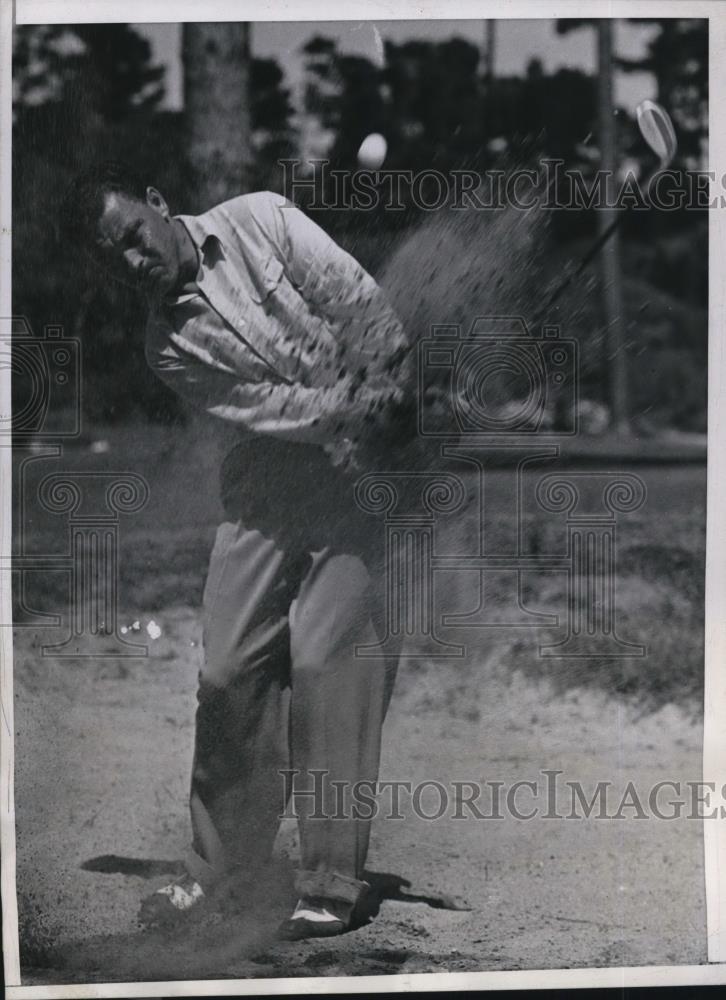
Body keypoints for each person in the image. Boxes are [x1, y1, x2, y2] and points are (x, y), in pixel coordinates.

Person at [60, 163, 412, 940]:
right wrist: (355, 414)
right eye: (111, 258)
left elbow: (357, 300)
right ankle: (224, 866)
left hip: (361, 471)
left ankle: (330, 877)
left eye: (131, 238)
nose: (130, 260)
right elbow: (273, 408)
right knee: (226, 670)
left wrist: (392, 392)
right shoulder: (169, 346)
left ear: (158, 201)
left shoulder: (263, 219)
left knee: (327, 657)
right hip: (272, 469)